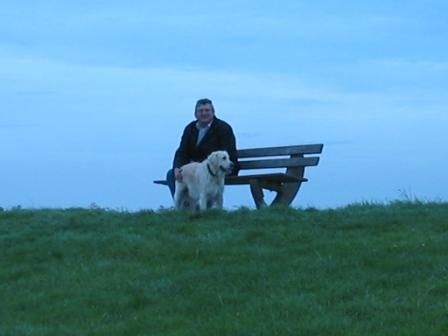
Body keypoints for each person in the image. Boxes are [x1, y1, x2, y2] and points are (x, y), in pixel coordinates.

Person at [166, 98, 239, 197]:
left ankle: (203, 209)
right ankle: (182, 208)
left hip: (216, 169)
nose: (204, 113)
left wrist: (198, 165)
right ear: (195, 114)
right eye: (200, 111)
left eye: (207, 110)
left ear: (213, 112)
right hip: (192, 169)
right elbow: (181, 151)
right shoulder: (190, 128)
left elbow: (227, 152)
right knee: (171, 175)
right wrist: (177, 167)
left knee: (202, 175)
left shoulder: (223, 128)